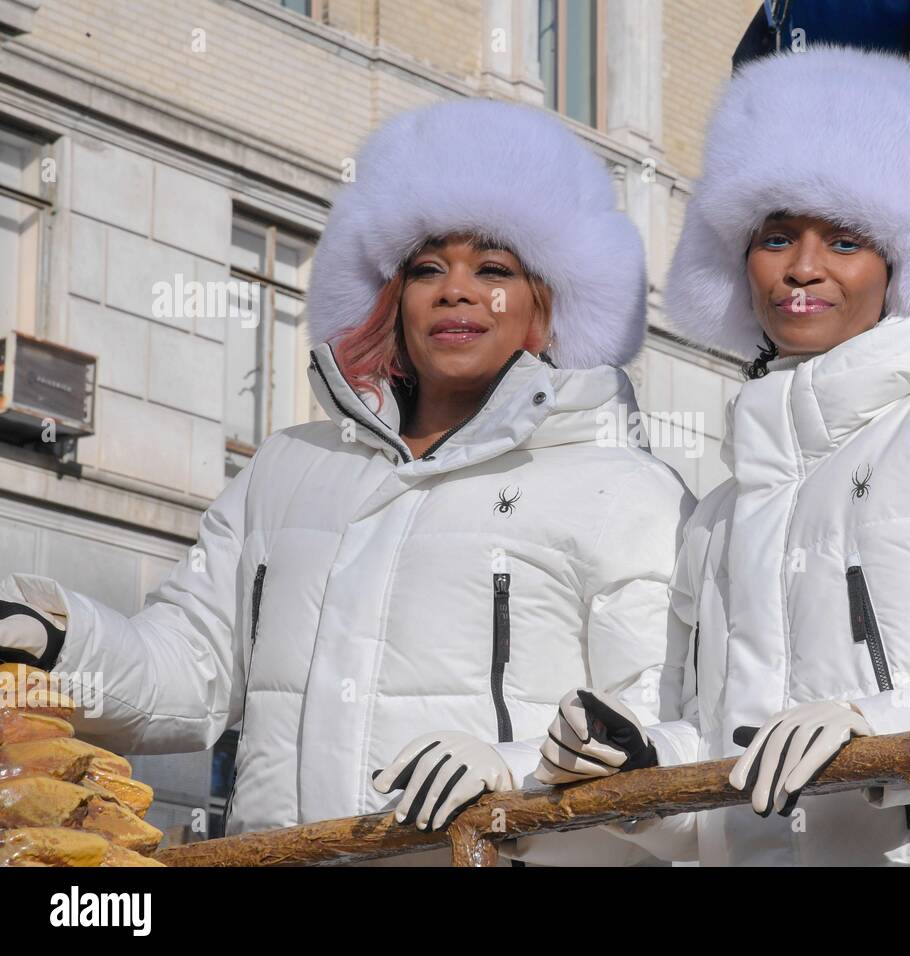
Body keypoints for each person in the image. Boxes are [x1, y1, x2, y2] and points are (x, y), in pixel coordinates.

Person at [0, 98, 694, 865]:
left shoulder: (626, 490)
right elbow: (190, 673)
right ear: (390, 294)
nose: (455, 291)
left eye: (493, 269)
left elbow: (651, 734)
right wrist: (56, 641)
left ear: (552, 299)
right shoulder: (291, 467)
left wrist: (514, 768)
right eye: (427, 268)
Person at [536, 44, 910, 866]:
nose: (803, 268)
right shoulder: (722, 512)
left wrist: (883, 731)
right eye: (777, 235)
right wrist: (641, 765)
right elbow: (732, 756)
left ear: (899, 260)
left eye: (846, 239)